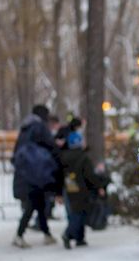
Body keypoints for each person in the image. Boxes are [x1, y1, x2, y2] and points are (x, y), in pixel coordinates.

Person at [12, 105, 61, 248]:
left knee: (38, 202)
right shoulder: (40, 127)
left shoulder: (25, 128)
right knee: (34, 203)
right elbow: (51, 145)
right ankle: (20, 235)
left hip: (26, 171)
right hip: (38, 172)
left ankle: (46, 233)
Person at [60, 131, 106, 249]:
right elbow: (89, 175)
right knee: (79, 213)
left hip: (69, 188)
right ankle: (69, 234)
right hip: (82, 189)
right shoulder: (83, 158)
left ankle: (79, 238)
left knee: (74, 212)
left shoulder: (64, 157)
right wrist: (99, 186)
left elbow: (58, 174)